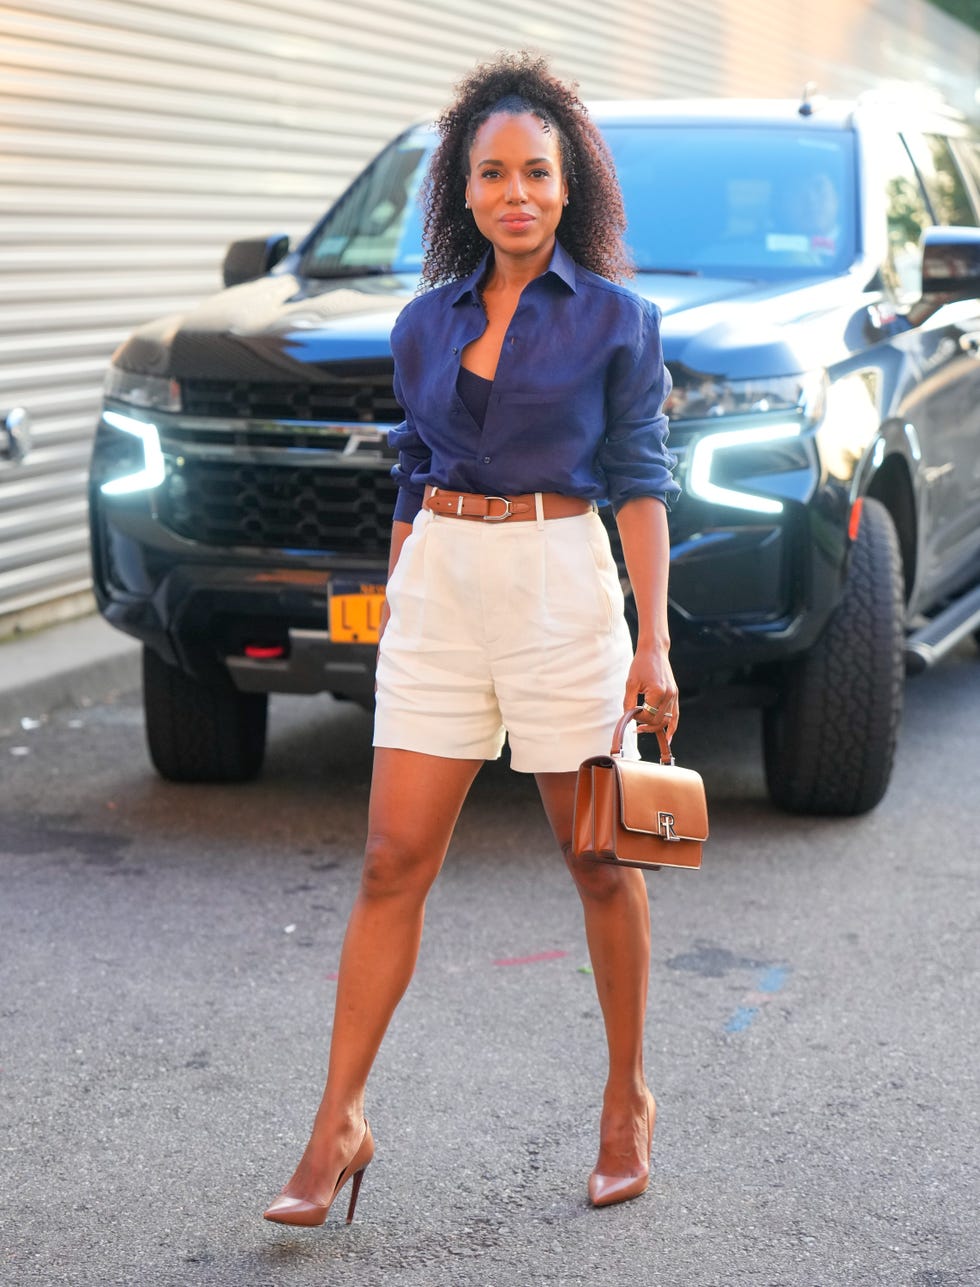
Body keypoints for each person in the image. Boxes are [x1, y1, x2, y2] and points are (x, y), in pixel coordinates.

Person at [263, 51, 680, 1228]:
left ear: (568, 186)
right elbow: (411, 473)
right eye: (491, 173)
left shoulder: (616, 322)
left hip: (560, 587)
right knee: (392, 861)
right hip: (442, 588)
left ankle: (623, 1101)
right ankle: (335, 1124)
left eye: (535, 174)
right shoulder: (418, 324)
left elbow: (640, 487)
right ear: (461, 188)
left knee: (599, 858)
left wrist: (652, 646)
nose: (514, 194)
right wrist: (404, 605)